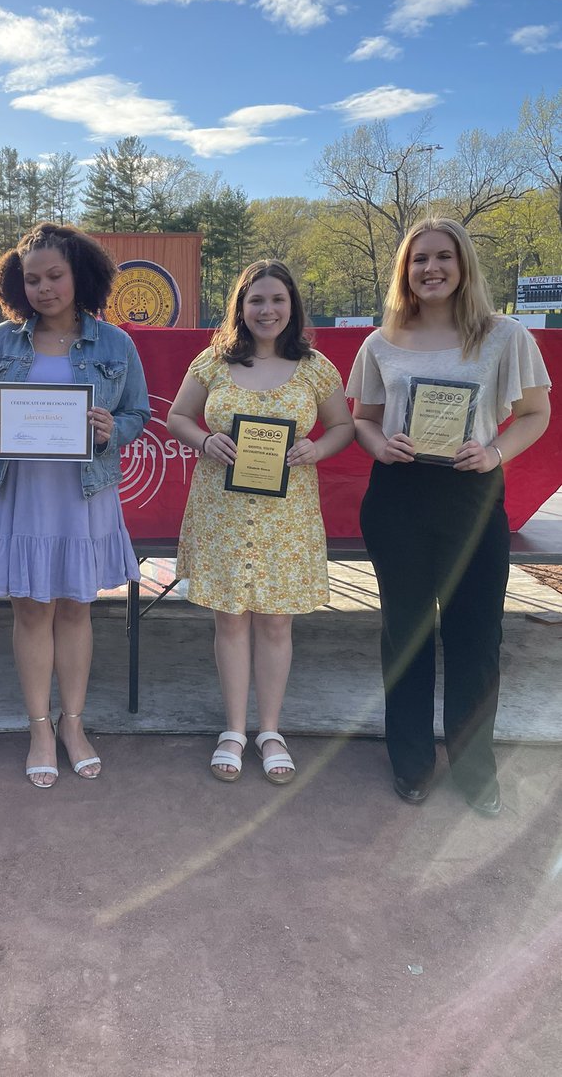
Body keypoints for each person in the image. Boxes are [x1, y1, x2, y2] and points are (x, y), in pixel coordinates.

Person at [347, 218, 551, 817]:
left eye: (443, 257)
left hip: (471, 497)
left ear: (463, 266)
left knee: (475, 640)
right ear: (404, 271)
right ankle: (410, 762)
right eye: (418, 260)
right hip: (398, 498)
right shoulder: (381, 340)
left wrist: (494, 452)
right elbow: (363, 418)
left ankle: (474, 768)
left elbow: (535, 414)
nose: (430, 269)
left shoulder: (504, 336)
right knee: (405, 637)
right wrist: (378, 443)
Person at [0, 223, 150, 788]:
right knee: (30, 611)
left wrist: (112, 427)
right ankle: (40, 727)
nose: (43, 288)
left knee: (75, 608)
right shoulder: (0, 342)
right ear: (17, 286)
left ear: (80, 275)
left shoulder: (116, 343)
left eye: (55, 276)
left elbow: (138, 414)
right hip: (16, 494)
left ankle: (73, 724)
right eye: (32, 278)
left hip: (82, 494)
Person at [167, 260, 354, 783]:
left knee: (275, 621)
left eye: (277, 300)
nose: (267, 310)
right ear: (240, 308)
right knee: (229, 617)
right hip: (222, 510)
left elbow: (343, 425)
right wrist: (205, 440)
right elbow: (177, 417)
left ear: (292, 305)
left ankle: (270, 730)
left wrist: (316, 449)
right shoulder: (212, 362)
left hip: (287, 515)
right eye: (256, 301)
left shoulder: (316, 367)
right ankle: (233, 729)